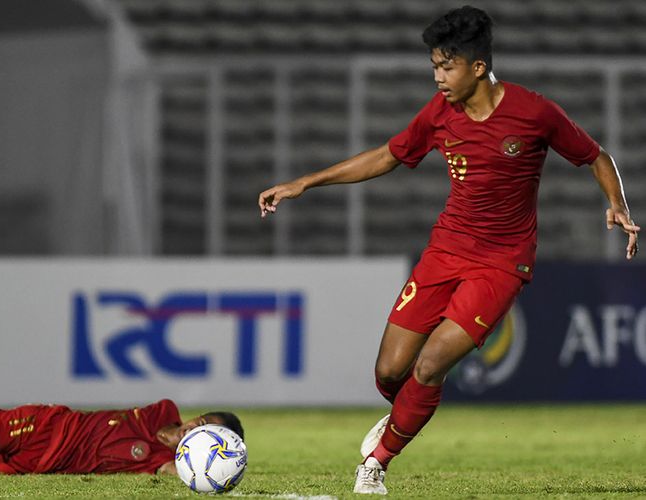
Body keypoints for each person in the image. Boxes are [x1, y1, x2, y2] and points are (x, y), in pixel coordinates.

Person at [257, 5, 639, 495]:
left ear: (477, 67)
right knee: (391, 372)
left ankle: (376, 464)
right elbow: (387, 155)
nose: (437, 77)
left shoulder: (534, 111)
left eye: (446, 66)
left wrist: (616, 204)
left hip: (501, 264)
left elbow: (595, 155)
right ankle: (402, 417)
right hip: (444, 252)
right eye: (434, 66)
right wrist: (304, 182)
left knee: (431, 364)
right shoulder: (440, 113)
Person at [0, 399, 243, 475]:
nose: (192, 428)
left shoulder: (163, 464)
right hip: (41, 425)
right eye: (200, 421)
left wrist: (222, 468)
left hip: (39, 466)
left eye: (203, 432)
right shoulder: (164, 410)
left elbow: (185, 476)